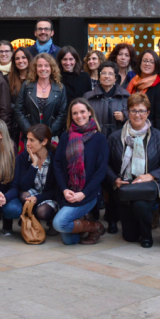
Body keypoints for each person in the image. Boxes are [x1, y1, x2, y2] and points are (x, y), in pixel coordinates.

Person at [105, 93, 160, 246]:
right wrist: (115, 179)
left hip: (147, 186)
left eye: (141, 111)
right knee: (129, 237)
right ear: (128, 112)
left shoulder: (159, 137)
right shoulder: (115, 137)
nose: (137, 114)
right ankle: (137, 225)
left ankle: (147, 235)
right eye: (133, 110)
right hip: (124, 187)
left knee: (140, 204)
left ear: (148, 113)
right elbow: (106, 164)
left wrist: (152, 176)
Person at [52, 98, 107, 244]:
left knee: (59, 224)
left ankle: (95, 226)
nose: (79, 116)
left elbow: (100, 172)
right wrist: (64, 190)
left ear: (89, 112)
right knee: (71, 241)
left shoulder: (99, 138)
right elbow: (57, 165)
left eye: (82, 111)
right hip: (67, 193)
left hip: (87, 194)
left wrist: (83, 194)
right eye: (75, 113)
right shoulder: (66, 137)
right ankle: (88, 224)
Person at [4, 124, 61, 236]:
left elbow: (56, 189)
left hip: (49, 195)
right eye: (27, 139)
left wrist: (38, 198)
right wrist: (34, 164)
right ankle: (30, 217)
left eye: (31, 140)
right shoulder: (24, 157)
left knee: (42, 212)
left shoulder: (55, 158)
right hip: (32, 193)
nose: (27, 144)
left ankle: (50, 219)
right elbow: (23, 185)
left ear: (44, 142)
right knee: (23, 195)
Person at [14, 53, 68, 138]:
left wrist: (48, 132)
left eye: (46, 65)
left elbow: (62, 113)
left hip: (51, 135)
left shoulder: (60, 88)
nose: (43, 69)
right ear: (35, 68)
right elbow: (18, 110)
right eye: (39, 66)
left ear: (51, 68)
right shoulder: (26, 85)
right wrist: (29, 131)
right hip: (29, 134)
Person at [84, 61, 129, 141]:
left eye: (111, 74)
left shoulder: (125, 96)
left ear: (115, 78)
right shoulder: (88, 97)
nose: (106, 76)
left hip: (119, 139)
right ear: (99, 76)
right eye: (103, 73)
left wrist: (124, 116)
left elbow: (135, 115)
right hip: (94, 138)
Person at [127, 50, 160, 135]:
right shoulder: (133, 83)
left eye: (151, 62)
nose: (147, 64)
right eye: (145, 61)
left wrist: (159, 139)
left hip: (150, 133)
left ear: (156, 65)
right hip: (130, 130)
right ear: (140, 63)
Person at [7, 47, 32, 146]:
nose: (20, 61)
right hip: (14, 125)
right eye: (17, 59)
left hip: (30, 124)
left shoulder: (36, 80)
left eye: (23, 57)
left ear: (29, 59)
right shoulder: (8, 79)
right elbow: (5, 102)